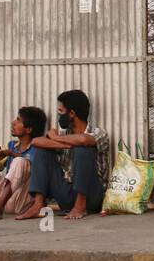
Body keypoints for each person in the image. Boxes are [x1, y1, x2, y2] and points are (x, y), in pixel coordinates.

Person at [15, 89, 109, 221]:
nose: (59, 116)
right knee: (42, 150)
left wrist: (55, 138)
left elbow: (83, 140)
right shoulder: (63, 135)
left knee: (83, 149)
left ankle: (80, 206)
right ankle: (38, 205)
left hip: (92, 196)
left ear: (72, 113)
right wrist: (62, 142)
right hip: (67, 195)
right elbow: (36, 141)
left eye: (61, 112)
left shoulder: (99, 132)